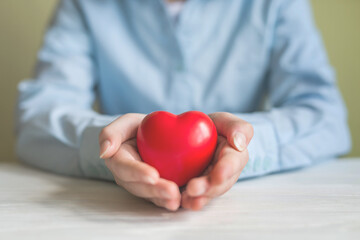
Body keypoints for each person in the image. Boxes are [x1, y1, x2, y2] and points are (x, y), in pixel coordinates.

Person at [15, 0, 351, 211]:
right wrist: (109, 145)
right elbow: (37, 117)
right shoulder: (84, 5)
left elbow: (327, 116)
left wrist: (242, 143)